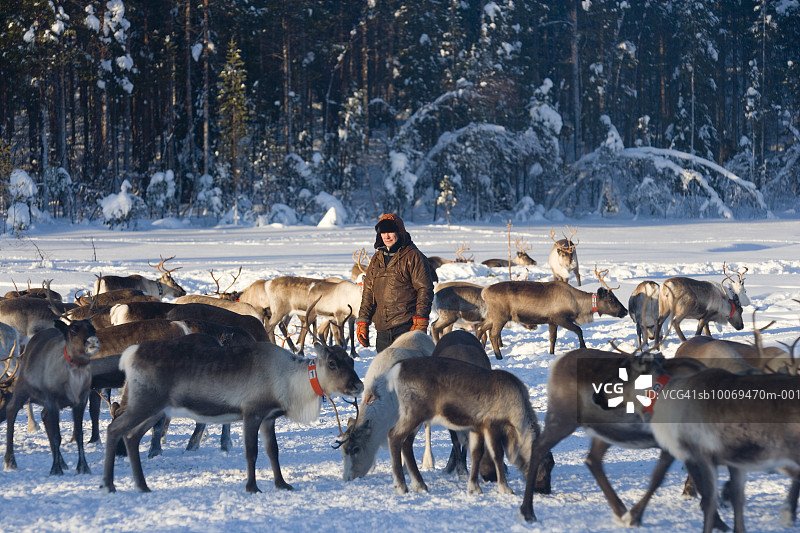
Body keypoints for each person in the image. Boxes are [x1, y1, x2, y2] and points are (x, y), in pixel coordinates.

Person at [356, 213, 434, 353]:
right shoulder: (376, 260)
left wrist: (420, 320)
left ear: (400, 232)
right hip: (382, 329)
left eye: (390, 232)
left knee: (405, 373)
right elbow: (368, 293)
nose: (386, 236)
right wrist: (363, 321)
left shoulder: (413, 256)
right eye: (383, 232)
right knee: (385, 371)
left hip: (406, 326)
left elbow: (424, 289)